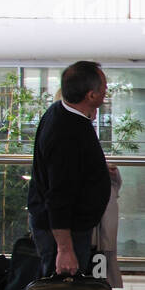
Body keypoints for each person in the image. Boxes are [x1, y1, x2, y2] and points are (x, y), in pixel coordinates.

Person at [27, 61, 110, 277]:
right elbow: (59, 195)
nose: (107, 91)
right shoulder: (67, 134)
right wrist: (64, 250)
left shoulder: (62, 112)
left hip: (71, 226)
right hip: (64, 232)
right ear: (90, 95)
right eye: (104, 87)